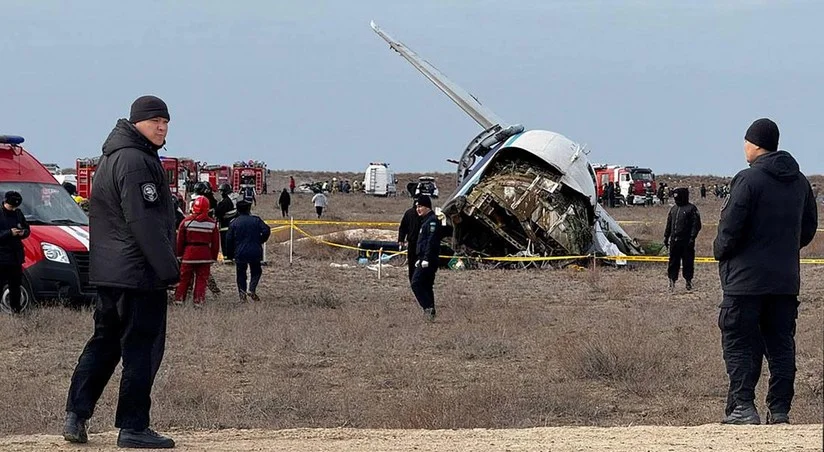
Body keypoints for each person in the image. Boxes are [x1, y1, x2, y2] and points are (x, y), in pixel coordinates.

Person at [63, 95, 178, 449]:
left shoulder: (112, 157)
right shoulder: (136, 161)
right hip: (138, 274)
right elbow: (143, 220)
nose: (162, 127)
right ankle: (133, 427)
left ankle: (76, 415)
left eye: (166, 121)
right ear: (137, 123)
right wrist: (169, 270)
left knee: (104, 343)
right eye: (155, 120)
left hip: (110, 272)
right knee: (141, 348)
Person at [713, 118, 817, 425]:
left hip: (745, 283)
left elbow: (730, 228)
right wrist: (783, 249)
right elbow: (809, 228)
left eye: (746, 141)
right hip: (785, 282)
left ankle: (743, 408)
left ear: (755, 144)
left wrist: (721, 251)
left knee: (740, 343)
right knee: (781, 345)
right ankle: (780, 411)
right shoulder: (799, 182)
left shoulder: (747, 180)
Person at [173, 196, 220, 307]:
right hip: (205, 255)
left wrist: (179, 255)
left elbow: (180, 241)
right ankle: (198, 302)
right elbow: (215, 244)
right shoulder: (212, 224)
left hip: (188, 254)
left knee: (184, 279)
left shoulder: (186, 222)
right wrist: (213, 257)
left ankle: (179, 300)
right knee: (202, 280)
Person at [224, 199, 271, 302]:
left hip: (240, 252)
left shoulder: (234, 223)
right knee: (256, 271)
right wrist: (261, 240)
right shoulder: (256, 220)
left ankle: (242, 296)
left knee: (241, 274)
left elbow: (229, 239)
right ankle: (252, 288)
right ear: (249, 209)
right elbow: (267, 230)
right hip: (255, 250)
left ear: (238, 210)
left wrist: (229, 255)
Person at [663, 187, 701, 291]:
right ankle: (672, 281)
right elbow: (669, 224)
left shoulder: (691, 209)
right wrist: (666, 237)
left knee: (688, 262)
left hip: (687, 241)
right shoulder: (674, 209)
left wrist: (692, 237)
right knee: (673, 262)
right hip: (674, 241)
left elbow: (696, 225)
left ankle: (688, 281)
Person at [410, 195, 441, 321]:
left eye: (420, 206)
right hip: (423, 258)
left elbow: (431, 242)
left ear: (427, 207)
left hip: (429, 259)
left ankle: (428, 308)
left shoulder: (432, 221)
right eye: (417, 207)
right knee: (427, 285)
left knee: (416, 283)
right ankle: (431, 313)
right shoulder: (425, 221)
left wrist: (426, 258)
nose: (418, 209)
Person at [0, 191, 30, 314]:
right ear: (5, 202)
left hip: (16, 257)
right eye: (11, 206)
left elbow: (27, 228)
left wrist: (23, 232)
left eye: (15, 207)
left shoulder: (18, 213)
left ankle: (16, 310)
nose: (13, 209)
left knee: (15, 287)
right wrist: (9, 233)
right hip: (1, 257)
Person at [397, 196, 422, 283]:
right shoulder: (409, 213)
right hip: (411, 242)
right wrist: (401, 239)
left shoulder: (425, 215)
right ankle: (412, 280)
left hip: (422, 243)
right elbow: (403, 227)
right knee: (411, 263)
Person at [214, 183, 237, 261]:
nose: (220, 193)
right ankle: (231, 257)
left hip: (225, 226)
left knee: (225, 242)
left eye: (221, 191)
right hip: (230, 225)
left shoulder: (225, 202)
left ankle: (227, 258)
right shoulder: (230, 200)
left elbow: (218, 211)